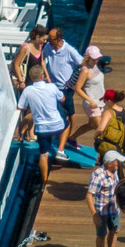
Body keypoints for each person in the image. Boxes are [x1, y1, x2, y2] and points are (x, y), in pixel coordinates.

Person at [17, 64, 66, 184]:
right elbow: (63, 99)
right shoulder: (52, 87)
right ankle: (60, 150)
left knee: (43, 154)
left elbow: (20, 106)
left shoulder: (28, 90)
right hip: (57, 125)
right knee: (67, 124)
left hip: (42, 128)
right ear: (43, 76)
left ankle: (44, 182)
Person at [42, 26, 83, 154]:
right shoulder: (49, 47)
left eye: (51, 38)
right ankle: (60, 135)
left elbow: (82, 64)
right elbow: (43, 58)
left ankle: (70, 137)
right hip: (53, 86)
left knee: (69, 112)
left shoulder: (69, 50)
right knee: (56, 111)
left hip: (65, 88)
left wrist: (74, 80)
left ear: (59, 39)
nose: (48, 40)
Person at [88, 150, 125, 247]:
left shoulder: (115, 172)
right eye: (116, 162)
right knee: (101, 235)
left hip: (114, 208)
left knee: (115, 230)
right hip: (101, 211)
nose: (118, 164)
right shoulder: (98, 176)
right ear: (109, 164)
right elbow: (89, 195)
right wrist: (94, 215)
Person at [66, 45, 107, 152]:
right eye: (94, 59)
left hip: (100, 101)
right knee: (101, 130)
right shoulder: (85, 71)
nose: (96, 60)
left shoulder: (95, 66)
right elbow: (78, 89)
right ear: (87, 58)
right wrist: (90, 101)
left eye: (98, 58)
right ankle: (104, 153)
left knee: (91, 125)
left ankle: (71, 139)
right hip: (91, 104)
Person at [93, 88, 125, 159]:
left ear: (109, 101)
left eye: (105, 100)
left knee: (106, 161)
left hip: (108, 141)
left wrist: (95, 136)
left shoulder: (108, 112)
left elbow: (101, 129)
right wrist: (123, 132)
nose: (104, 102)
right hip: (120, 142)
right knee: (118, 161)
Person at [11, 25, 48, 97]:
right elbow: (16, 64)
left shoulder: (40, 46)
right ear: (37, 37)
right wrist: (21, 81)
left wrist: (47, 77)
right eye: (44, 39)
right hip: (27, 80)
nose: (45, 41)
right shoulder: (25, 47)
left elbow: (42, 62)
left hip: (37, 81)